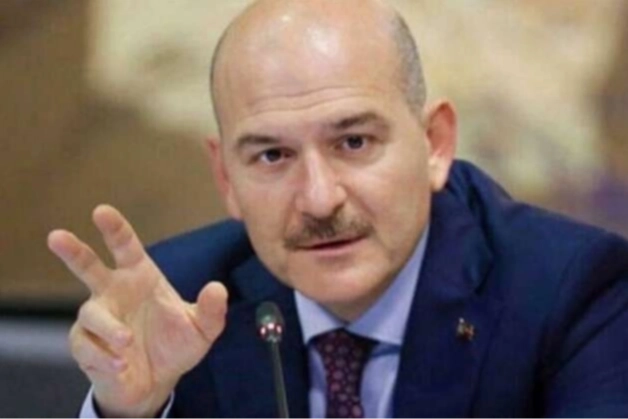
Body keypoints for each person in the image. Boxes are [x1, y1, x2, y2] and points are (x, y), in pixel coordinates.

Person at [47, 0, 628, 418]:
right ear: (226, 177)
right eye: (273, 155)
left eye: (353, 142)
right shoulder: (182, 303)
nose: (320, 198)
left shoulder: (571, 293)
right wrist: (132, 413)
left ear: (435, 145)